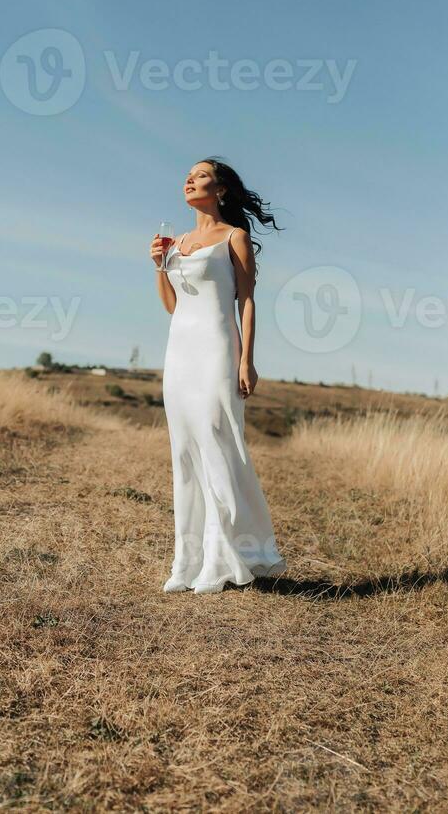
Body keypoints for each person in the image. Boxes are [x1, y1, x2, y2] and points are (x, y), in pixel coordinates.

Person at [150, 156, 288, 595]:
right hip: (180, 352)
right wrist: (159, 265)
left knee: (217, 440)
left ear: (221, 189)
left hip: (217, 348)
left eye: (202, 175)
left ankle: (225, 559)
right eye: (188, 175)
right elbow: (173, 306)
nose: (190, 179)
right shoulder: (178, 241)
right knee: (185, 452)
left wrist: (247, 359)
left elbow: (246, 301)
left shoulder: (235, 237)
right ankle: (186, 563)